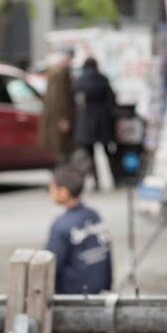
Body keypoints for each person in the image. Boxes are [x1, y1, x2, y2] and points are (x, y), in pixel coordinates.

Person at [44, 163, 112, 294]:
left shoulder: (61, 225)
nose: (49, 193)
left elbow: (51, 266)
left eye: (51, 188)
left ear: (63, 192)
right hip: (99, 291)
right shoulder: (94, 215)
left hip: (72, 296)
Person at [72, 56, 116, 191]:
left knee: (89, 153)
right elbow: (111, 98)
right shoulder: (103, 79)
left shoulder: (80, 80)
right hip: (103, 118)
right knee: (108, 151)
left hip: (87, 120)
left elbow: (74, 98)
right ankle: (115, 178)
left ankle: (95, 180)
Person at [38, 49, 75, 163]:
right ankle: (64, 176)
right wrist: (64, 118)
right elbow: (62, 97)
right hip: (61, 117)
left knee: (59, 150)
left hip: (53, 117)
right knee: (64, 150)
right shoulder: (62, 74)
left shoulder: (52, 73)